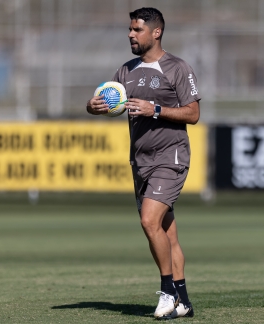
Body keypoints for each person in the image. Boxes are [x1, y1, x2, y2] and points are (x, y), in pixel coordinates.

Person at [86, 7, 201, 319]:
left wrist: (156, 109)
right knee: (167, 233)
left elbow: (193, 113)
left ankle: (167, 292)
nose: (130, 34)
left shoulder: (177, 67)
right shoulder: (126, 71)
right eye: (130, 29)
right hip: (140, 162)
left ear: (156, 32)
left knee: (149, 221)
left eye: (137, 29)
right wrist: (94, 106)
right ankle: (185, 302)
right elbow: (105, 101)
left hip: (171, 157)